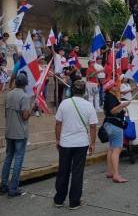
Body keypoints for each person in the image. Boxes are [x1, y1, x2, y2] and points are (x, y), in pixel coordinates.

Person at [53, 80, 98, 209]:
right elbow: (93, 126)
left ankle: (59, 200)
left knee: (63, 171)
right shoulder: (89, 105)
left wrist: (57, 140)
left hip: (65, 143)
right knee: (77, 172)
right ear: (84, 92)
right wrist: (93, 143)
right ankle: (74, 201)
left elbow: (58, 124)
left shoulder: (64, 104)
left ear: (72, 90)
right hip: (81, 143)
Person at [0, 73, 35, 197]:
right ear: (25, 84)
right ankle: (13, 188)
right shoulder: (24, 97)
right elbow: (25, 116)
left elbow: (5, 113)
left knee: (8, 158)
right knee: (18, 159)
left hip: (9, 130)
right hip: (20, 132)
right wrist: (31, 109)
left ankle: (3, 185)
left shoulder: (8, 94)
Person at [103, 80, 130, 183]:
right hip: (115, 125)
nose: (117, 87)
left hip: (110, 124)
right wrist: (122, 105)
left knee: (111, 148)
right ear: (110, 88)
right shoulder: (111, 97)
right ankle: (116, 175)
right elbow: (113, 111)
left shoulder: (109, 97)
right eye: (115, 86)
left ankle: (110, 171)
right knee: (117, 149)